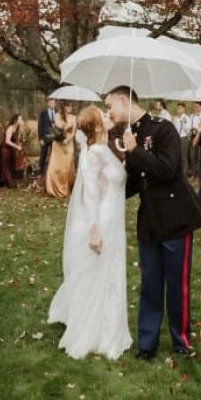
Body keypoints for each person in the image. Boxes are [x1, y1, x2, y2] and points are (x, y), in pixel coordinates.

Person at [105, 86, 201, 360]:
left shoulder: (163, 129)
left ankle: (180, 340)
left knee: (177, 284)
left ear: (123, 101)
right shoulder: (129, 134)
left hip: (176, 218)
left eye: (110, 106)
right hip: (149, 220)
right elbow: (135, 181)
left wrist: (135, 151)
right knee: (150, 285)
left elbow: (167, 169)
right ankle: (147, 345)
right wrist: (106, 192)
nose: (109, 112)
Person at [47, 106, 133, 359]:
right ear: (96, 126)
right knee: (99, 274)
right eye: (103, 116)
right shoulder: (94, 152)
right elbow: (90, 193)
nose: (109, 117)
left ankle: (109, 326)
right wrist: (94, 228)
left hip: (114, 218)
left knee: (109, 273)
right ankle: (94, 331)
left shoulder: (102, 149)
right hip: (104, 220)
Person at [46, 102, 78, 198]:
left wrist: (67, 140)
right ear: (63, 107)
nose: (70, 107)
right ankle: (54, 188)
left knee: (67, 166)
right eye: (68, 105)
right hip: (58, 144)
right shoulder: (57, 115)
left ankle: (67, 189)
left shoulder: (74, 117)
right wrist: (68, 126)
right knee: (57, 166)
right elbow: (58, 128)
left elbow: (73, 132)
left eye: (71, 106)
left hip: (69, 143)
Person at [0, 114, 25, 187]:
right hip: (5, 149)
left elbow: (16, 139)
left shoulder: (17, 128)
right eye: (20, 119)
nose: (21, 121)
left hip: (11, 149)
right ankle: (10, 183)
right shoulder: (10, 128)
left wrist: (19, 145)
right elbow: (7, 141)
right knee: (5, 165)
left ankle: (4, 181)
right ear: (16, 120)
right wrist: (17, 147)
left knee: (10, 165)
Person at [38, 99, 58, 174]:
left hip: (54, 139)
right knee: (43, 155)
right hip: (44, 138)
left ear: (55, 104)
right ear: (48, 103)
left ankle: (52, 171)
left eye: (53, 102)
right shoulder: (43, 113)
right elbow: (40, 126)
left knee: (54, 156)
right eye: (50, 102)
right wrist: (40, 139)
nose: (52, 104)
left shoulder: (57, 113)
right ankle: (40, 172)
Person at [173, 103, 192, 177]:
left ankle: (184, 175)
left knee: (183, 158)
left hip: (183, 138)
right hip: (176, 138)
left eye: (180, 108)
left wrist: (183, 122)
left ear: (184, 109)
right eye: (178, 108)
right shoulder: (175, 118)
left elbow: (188, 131)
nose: (178, 109)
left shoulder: (187, 118)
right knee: (177, 157)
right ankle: (179, 174)